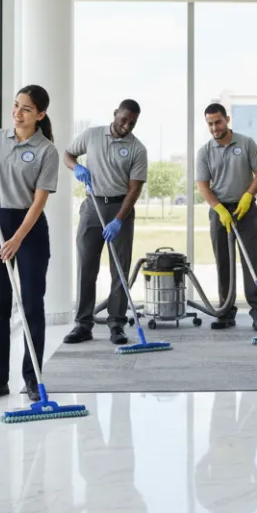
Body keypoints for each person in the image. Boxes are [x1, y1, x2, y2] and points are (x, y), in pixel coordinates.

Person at [0, 85, 60, 402]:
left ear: (40, 114)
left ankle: (32, 379)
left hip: (29, 229)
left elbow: (39, 203)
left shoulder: (47, 150)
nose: (17, 113)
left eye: (25, 109)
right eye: (16, 106)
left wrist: (17, 239)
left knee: (32, 306)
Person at [62, 99, 148, 346]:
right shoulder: (92, 135)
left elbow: (134, 190)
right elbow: (67, 154)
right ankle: (83, 325)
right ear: (115, 114)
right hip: (93, 206)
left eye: (132, 122)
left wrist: (119, 220)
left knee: (119, 270)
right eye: (124, 119)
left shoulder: (137, 149)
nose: (127, 125)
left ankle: (117, 325)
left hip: (121, 208)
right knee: (86, 267)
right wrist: (76, 167)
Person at [195, 103, 257, 331]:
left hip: (245, 210)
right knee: (224, 263)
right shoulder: (205, 152)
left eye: (218, 122)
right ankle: (226, 312)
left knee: (250, 261)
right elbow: (203, 186)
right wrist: (219, 209)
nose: (215, 127)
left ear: (226, 119)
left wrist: (248, 196)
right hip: (220, 212)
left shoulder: (246, 143)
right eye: (210, 124)